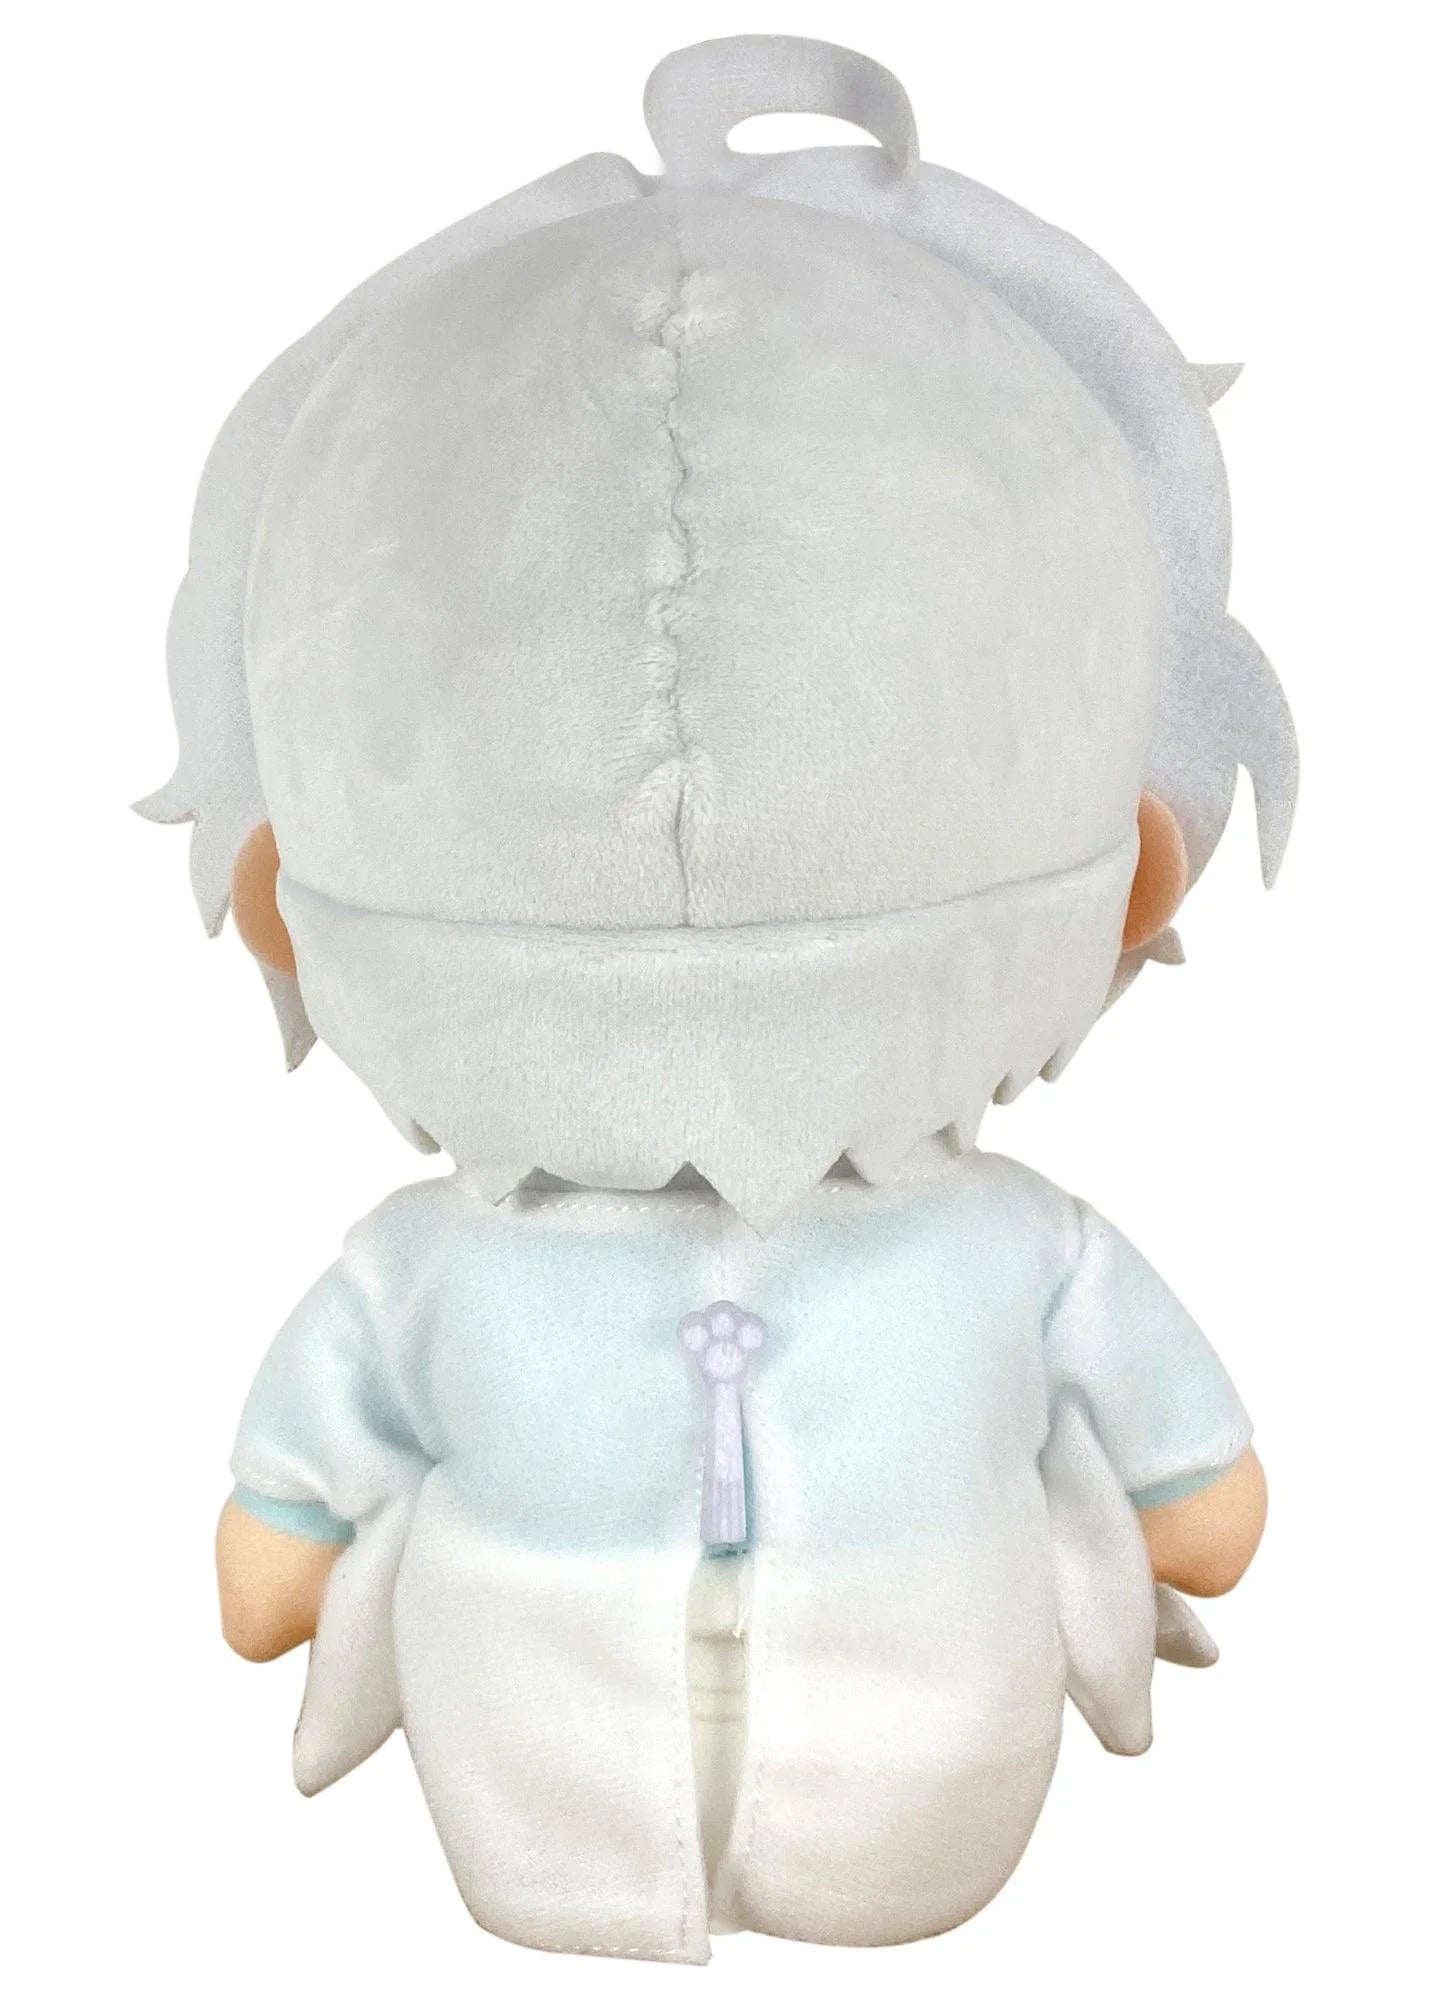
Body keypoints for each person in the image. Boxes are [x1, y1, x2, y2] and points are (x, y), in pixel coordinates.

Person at [141, 34, 1294, 1965]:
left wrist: (288, 1536)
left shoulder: (1018, 1253)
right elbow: (326, 1429)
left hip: (919, 1788)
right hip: (543, 1793)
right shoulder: (426, 1271)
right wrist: (287, 1508)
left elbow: (1182, 1469)